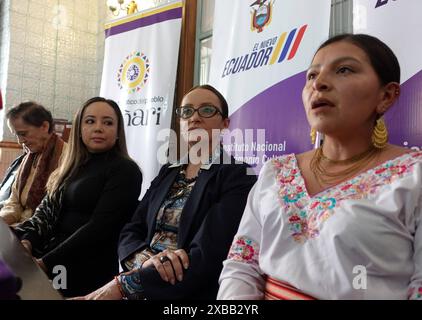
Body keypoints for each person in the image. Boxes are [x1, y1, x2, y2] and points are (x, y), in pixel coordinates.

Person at [218, 34, 422, 300]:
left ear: (386, 96)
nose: (319, 84)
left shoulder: (413, 176)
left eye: (344, 70)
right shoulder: (276, 172)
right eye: (311, 76)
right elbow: (242, 264)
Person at [77, 85, 257, 300]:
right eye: (187, 111)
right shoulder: (168, 171)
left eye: (207, 110)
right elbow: (131, 230)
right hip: (137, 282)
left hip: (182, 293)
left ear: (225, 124)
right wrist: (146, 262)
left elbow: (207, 255)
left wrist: (126, 284)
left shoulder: (238, 175)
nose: (194, 118)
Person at [13, 97, 142, 297]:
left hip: (86, 270)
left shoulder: (126, 170)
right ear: (80, 129)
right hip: (49, 260)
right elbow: (45, 213)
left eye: (108, 122)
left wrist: (44, 263)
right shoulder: (70, 166)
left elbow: (99, 227)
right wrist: (28, 242)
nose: (98, 128)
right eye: (90, 121)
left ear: (118, 132)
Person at [0, 102, 66, 225]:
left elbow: (53, 213)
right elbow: (14, 201)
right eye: (17, 135)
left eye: (23, 134)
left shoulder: (66, 157)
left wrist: (16, 229)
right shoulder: (27, 157)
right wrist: (3, 221)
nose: (20, 141)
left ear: (45, 127)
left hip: (38, 232)